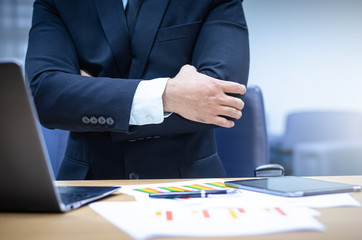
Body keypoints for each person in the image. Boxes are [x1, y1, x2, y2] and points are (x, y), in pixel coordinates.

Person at [25, 0, 250, 180]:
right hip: (89, 181)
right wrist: (167, 95)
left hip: (187, 184)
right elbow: (46, 95)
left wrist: (89, 95)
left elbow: (221, 98)